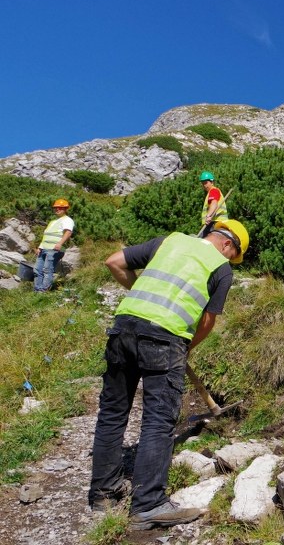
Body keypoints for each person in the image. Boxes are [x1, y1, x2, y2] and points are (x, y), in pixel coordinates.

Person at [88, 219, 249, 529]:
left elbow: (114, 262)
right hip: (166, 338)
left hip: (122, 328)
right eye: (234, 255)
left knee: (112, 413)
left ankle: (103, 495)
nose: (232, 261)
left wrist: (142, 296)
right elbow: (206, 322)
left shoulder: (169, 240)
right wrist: (184, 348)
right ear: (228, 245)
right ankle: (148, 504)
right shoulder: (221, 268)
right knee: (158, 419)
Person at [33, 198, 75, 292]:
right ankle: (37, 290)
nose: (57, 209)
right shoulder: (52, 222)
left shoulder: (67, 220)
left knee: (47, 270)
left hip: (54, 250)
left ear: (65, 209)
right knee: (37, 270)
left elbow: (68, 233)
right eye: (56, 208)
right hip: (44, 249)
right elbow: (46, 236)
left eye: (60, 208)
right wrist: (40, 247)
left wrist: (60, 243)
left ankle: (43, 291)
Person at [199, 171, 228, 237]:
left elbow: (214, 203)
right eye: (203, 183)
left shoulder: (214, 190)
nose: (204, 185)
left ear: (212, 182)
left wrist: (208, 216)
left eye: (206, 183)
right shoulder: (211, 192)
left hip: (214, 223)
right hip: (215, 222)